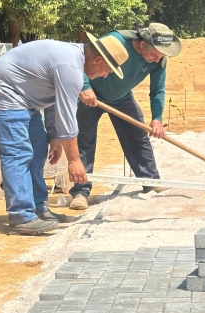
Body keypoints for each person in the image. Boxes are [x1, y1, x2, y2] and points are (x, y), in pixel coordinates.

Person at [0, 34, 127, 235]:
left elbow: (56, 102)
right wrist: (74, 161)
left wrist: (54, 136)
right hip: (1, 93)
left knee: (38, 149)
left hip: (23, 100)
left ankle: (37, 206)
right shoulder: (70, 67)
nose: (105, 75)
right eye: (108, 70)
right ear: (98, 60)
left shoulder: (72, 61)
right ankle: (22, 216)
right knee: (18, 153)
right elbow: (67, 118)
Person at [68, 23, 182, 210]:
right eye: (155, 55)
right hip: (91, 96)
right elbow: (82, 59)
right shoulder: (116, 41)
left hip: (122, 98)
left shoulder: (159, 59)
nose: (158, 59)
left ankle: (150, 181)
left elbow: (157, 90)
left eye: (161, 56)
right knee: (84, 141)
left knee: (138, 137)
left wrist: (157, 118)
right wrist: (85, 87)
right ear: (142, 44)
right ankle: (80, 192)